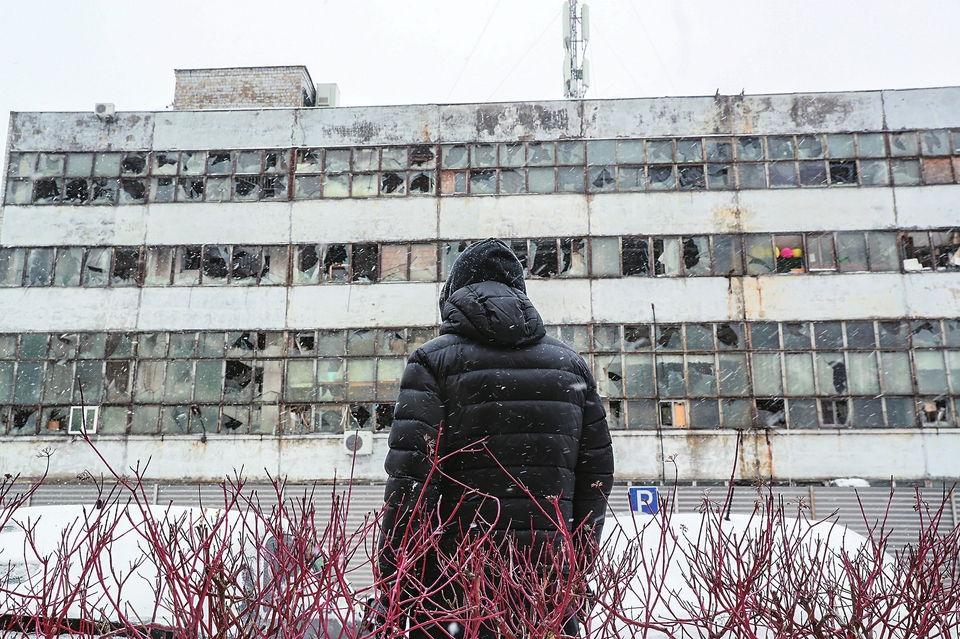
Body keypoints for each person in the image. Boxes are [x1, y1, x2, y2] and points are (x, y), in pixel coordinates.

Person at [377, 238, 614, 638]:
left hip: (452, 590)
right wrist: (572, 570)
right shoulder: (571, 367)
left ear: (453, 295)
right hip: (543, 591)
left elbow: (412, 482)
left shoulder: (433, 362)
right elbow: (595, 481)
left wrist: (396, 579)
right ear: (520, 293)